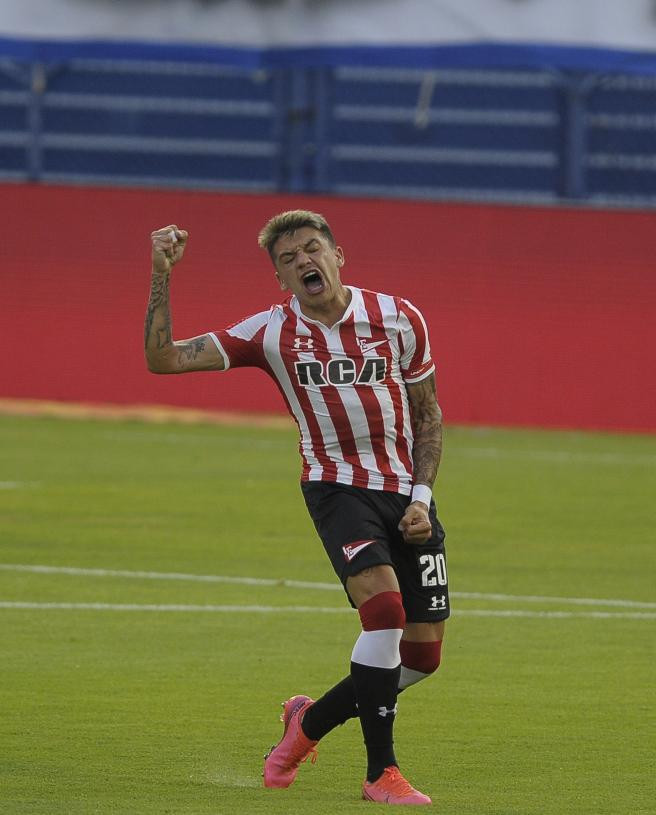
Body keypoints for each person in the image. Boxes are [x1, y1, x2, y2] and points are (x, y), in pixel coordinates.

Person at [144, 210, 448, 805]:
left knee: (420, 657)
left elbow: (428, 414)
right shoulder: (269, 332)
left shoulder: (399, 318)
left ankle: (305, 724)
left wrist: (422, 498)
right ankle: (379, 774)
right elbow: (165, 359)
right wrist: (161, 275)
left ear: (339, 257)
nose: (304, 261)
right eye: (288, 259)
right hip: (334, 488)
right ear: (281, 280)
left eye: (313, 249)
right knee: (383, 611)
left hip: (405, 493)